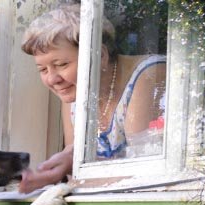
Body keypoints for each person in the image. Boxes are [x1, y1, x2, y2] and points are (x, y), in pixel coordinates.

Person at [18, 4, 166, 193]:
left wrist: (68, 175)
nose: (52, 79)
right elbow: (78, 177)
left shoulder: (149, 75)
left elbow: (143, 171)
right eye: (43, 70)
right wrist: (54, 173)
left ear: (100, 55)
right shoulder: (74, 94)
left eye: (61, 64)